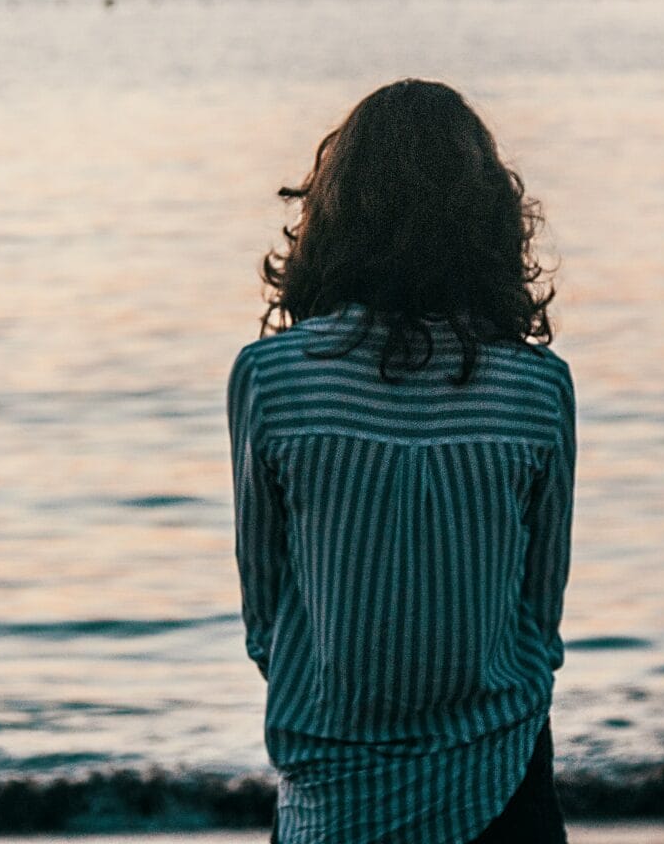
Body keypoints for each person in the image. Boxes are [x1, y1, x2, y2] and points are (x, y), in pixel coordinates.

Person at [228, 78, 576, 844]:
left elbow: (266, 614)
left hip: (332, 792)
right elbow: (541, 615)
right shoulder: (537, 386)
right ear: (489, 222)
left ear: (334, 215)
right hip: (501, 779)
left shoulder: (271, 377)